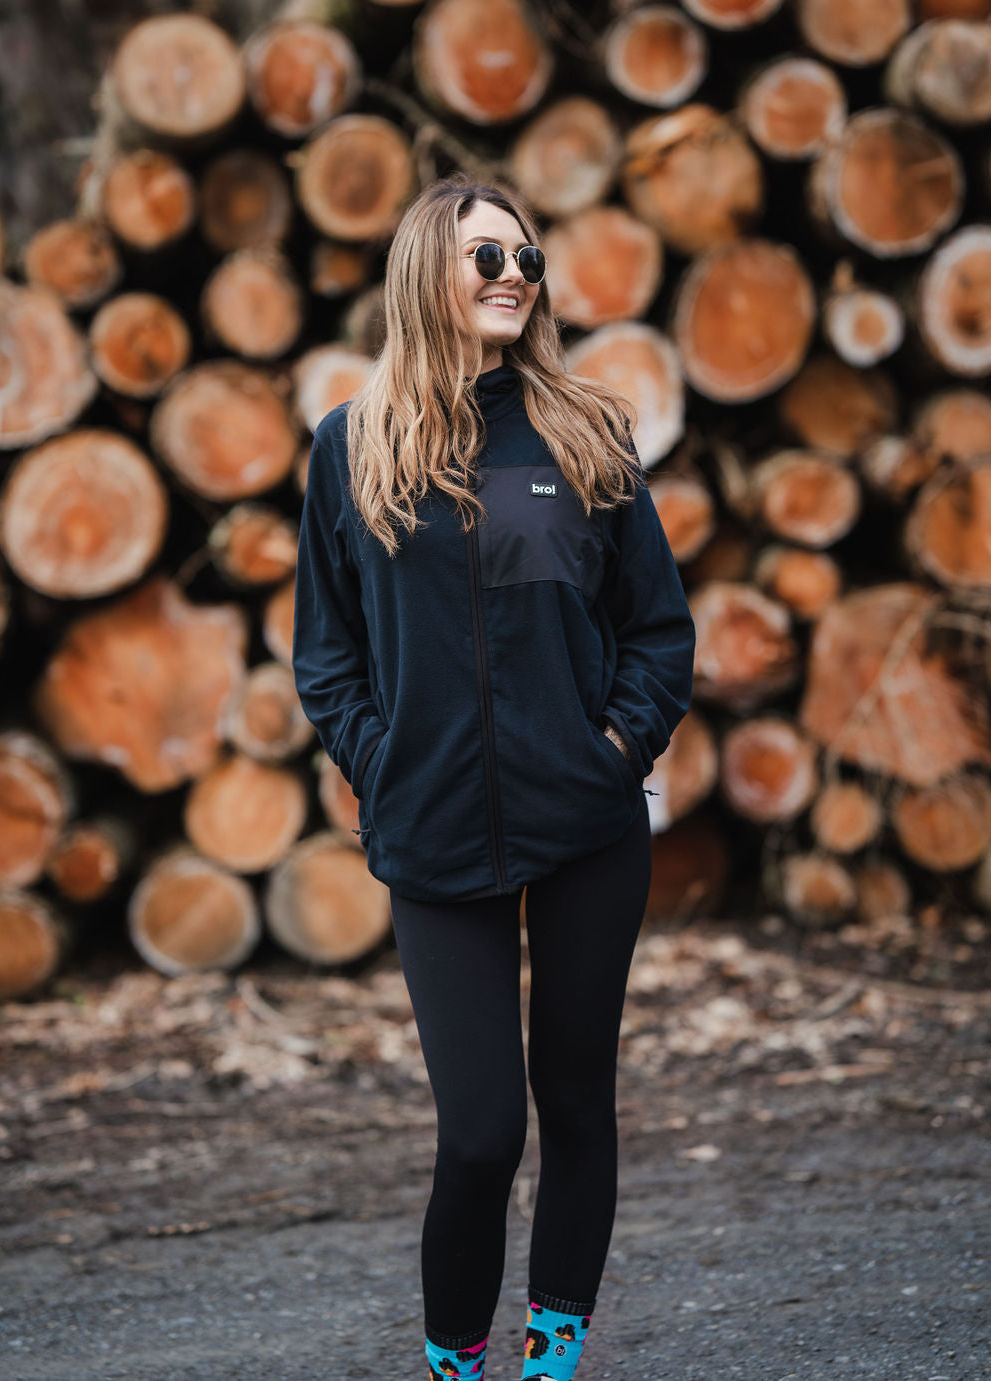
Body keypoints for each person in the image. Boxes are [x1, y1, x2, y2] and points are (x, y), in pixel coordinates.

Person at [292, 172, 696, 1381]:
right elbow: (327, 655)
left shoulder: (586, 432)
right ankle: (455, 1361)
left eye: (526, 257)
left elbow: (657, 630)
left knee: (575, 1102)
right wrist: (382, 765)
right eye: (486, 257)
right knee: (479, 1132)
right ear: (429, 272)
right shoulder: (353, 446)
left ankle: (552, 1353)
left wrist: (611, 752)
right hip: (433, 831)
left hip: (585, 827)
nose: (513, 274)